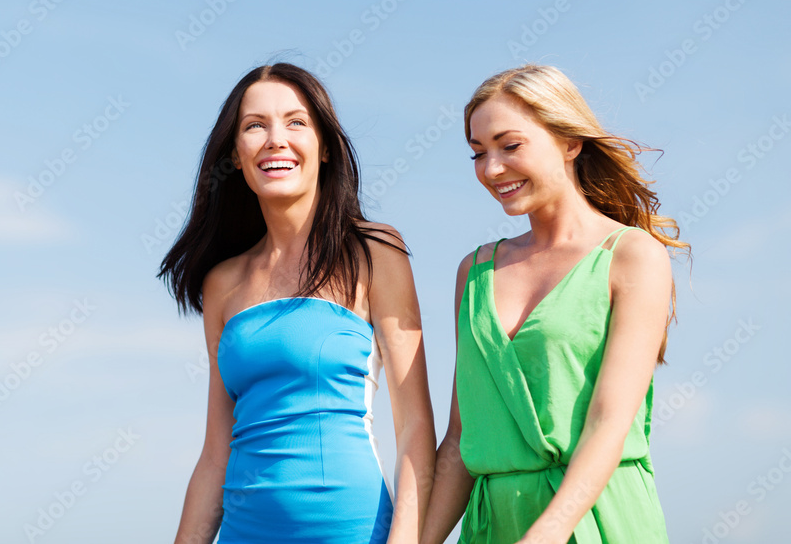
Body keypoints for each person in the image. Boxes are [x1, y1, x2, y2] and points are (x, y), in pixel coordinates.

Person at [160, 62, 436, 544]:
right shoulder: (222, 283)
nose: (275, 139)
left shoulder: (374, 252)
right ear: (236, 156)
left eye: (296, 122)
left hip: (351, 531)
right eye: (254, 126)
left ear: (325, 147)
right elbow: (214, 453)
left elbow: (415, 430)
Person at [421, 65, 689, 544]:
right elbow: (460, 440)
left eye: (510, 145)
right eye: (478, 153)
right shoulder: (474, 271)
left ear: (570, 142)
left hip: (599, 520)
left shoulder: (632, 255)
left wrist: (545, 535)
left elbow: (610, 420)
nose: (491, 168)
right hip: (494, 525)